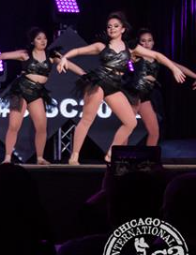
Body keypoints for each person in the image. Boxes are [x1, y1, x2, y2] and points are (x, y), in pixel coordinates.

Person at [58, 12, 185, 164]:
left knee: (131, 122)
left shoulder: (130, 48)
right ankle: (74, 156)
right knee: (87, 119)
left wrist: (174, 68)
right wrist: (64, 58)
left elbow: (157, 56)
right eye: (109, 26)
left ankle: (111, 152)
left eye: (116, 26)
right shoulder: (101, 46)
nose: (112, 29)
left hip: (114, 85)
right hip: (98, 81)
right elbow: (79, 51)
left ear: (123, 29)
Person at [0, 27, 85, 164]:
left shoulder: (51, 56)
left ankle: (40, 158)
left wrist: (85, 74)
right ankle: (7, 157)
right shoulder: (25, 54)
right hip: (21, 91)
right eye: (39, 38)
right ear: (33, 41)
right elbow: (2, 55)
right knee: (14, 126)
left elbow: (69, 65)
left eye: (45, 38)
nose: (43, 41)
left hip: (37, 93)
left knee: (41, 127)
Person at [124, 28, 196, 146]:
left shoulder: (157, 57)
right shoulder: (135, 54)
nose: (147, 44)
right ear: (139, 43)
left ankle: (148, 161)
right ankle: (118, 158)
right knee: (127, 127)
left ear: (153, 42)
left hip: (145, 96)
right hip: (134, 94)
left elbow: (178, 67)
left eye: (149, 40)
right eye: (143, 41)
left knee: (154, 131)